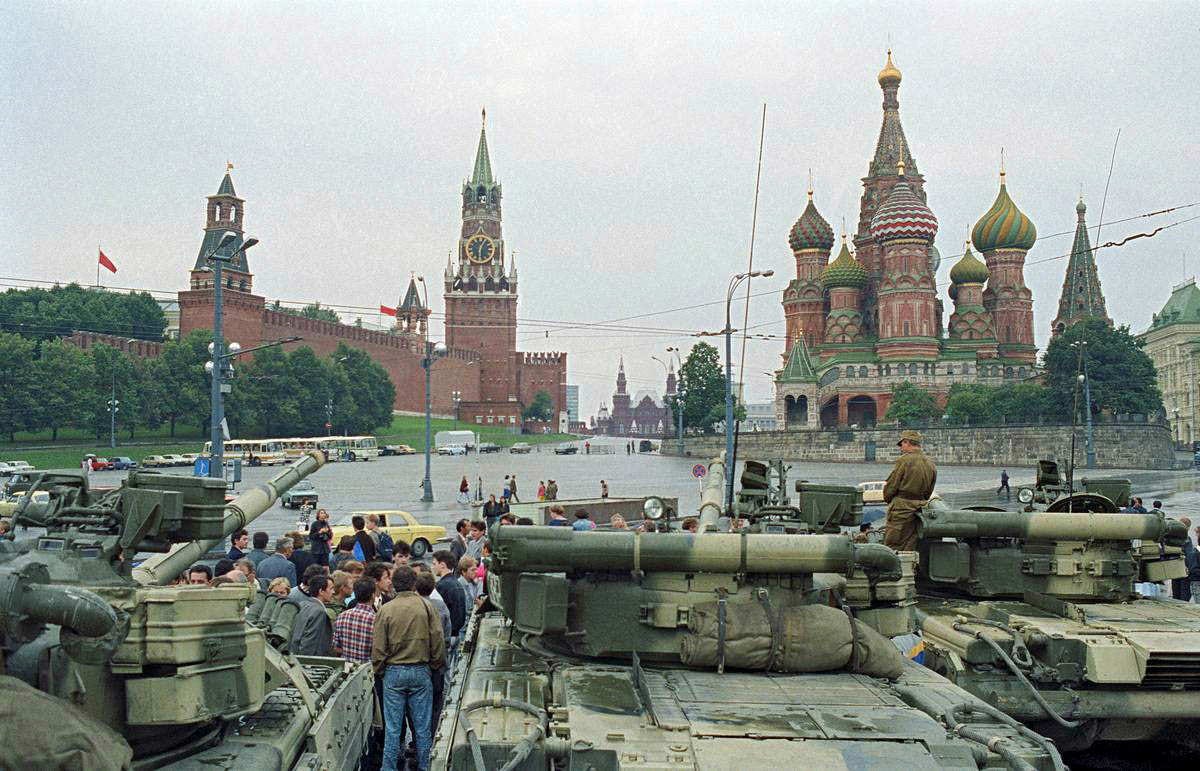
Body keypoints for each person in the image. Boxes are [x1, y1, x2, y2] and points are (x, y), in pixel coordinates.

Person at [372, 565, 444, 771]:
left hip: (393, 673)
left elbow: (378, 648)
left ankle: (389, 768)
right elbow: (438, 639)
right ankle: (425, 766)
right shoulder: (426, 606)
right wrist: (434, 665)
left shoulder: (385, 610)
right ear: (414, 584)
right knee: (422, 728)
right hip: (421, 670)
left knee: (393, 729)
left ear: (394, 585)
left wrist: (381, 670)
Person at [882, 430, 937, 552]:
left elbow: (892, 486)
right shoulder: (930, 463)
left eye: (902, 443)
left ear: (907, 442)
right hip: (921, 508)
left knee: (892, 545)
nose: (901, 447)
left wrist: (889, 499)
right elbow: (929, 490)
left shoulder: (904, 461)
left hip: (901, 508)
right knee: (912, 544)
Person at [414, 572, 452, 721]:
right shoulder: (440, 606)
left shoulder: (414, 607)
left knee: (419, 702)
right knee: (436, 701)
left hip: (419, 662)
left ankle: (419, 737)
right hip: (437, 663)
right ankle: (434, 729)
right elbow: (446, 635)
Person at [333, 577, 377, 664]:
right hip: (366, 671)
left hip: (346, 671)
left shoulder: (342, 616)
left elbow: (335, 647)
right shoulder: (375, 620)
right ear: (373, 595)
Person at [290, 575, 335, 655]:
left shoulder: (302, 604)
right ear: (321, 591)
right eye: (331, 588)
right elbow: (309, 644)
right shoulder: (319, 612)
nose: (333, 592)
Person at [432, 551, 467, 648]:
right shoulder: (457, 583)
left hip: (447, 635)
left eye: (434, 564)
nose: (433, 567)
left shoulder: (442, 586)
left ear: (442, 565)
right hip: (457, 634)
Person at [1174, 516, 1195, 602]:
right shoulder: (1187, 539)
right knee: (1185, 594)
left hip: (1173, 568)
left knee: (1176, 593)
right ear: (1188, 527)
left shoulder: (1172, 537)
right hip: (1184, 569)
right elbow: (1189, 556)